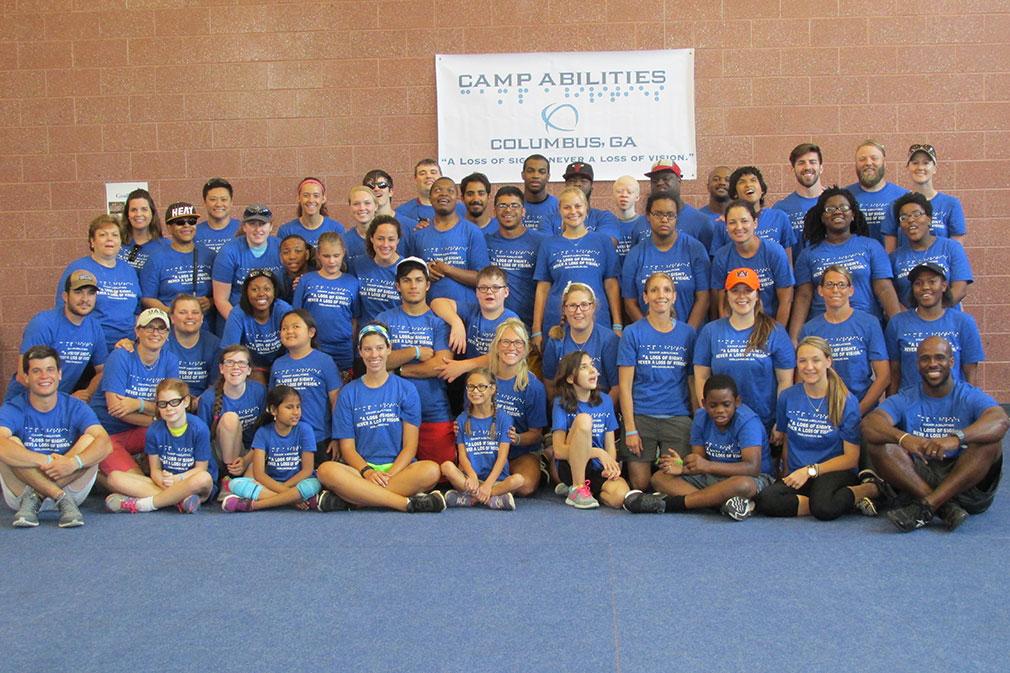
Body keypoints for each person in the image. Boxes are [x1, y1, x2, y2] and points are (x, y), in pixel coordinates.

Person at [863, 336, 1008, 532]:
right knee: (880, 444)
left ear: (951, 362)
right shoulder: (907, 396)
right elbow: (870, 424)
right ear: (917, 364)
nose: (932, 364)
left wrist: (957, 439)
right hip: (919, 478)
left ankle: (928, 505)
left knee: (990, 442)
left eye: (939, 358)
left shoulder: (968, 395)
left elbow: (1000, 419)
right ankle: (944, 507)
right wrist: (905, 438)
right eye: (925, 358)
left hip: (965, 482)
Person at [315, 323, 445, 513]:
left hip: (399, 470)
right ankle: (404, 503)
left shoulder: (406, 390)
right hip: (361, 470)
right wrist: (367, 472)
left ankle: (356, 499)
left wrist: (390, 475)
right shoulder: (348, 393)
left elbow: (410, 447)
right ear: (360, 352)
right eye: (367, 349)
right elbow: (347, 448)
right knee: (326, 471)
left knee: (432, 470)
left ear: (389, 349)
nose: (374, 355)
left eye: (379, 348)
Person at [755, 337, 879, 520]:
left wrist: (810, 470)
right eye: (802, 361)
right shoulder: (787, 397)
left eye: (816, 360)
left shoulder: (846, 401)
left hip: (834, 472)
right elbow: (787, 438)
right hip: (800, 472)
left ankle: (870, 489)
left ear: (828, 361)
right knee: (766, 500)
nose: (809, 367)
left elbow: (851, 459)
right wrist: (786, 471)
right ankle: (827, 501)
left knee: (824, 509)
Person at [623, 374, 772, 521]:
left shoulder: (747, 422)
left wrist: (706, 466)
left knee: (743, 485)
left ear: (737, 402)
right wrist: (683, 466)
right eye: (713, 405)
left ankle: (670, 504)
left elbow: (752, 468)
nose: (720, 410)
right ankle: (723, 505)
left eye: (726, 404)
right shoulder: (701, 417)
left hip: (750, 478)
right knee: (659, 478)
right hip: (713, 476)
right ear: (704, 403)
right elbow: (699, 461)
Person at [0, 346, 111, 528]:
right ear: (26, 377)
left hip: (70, 485)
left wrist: (72, 463)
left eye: (50, 370)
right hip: (22, 493)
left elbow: (105, 444)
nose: (45, 376)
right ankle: (58, 496)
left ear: (59, 374)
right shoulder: (14, 407)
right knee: (9, 443)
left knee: (92, 441)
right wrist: (47, 460)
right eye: (37, 371)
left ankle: (37, 496)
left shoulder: (75, 406)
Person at [617, 272, 696, 491]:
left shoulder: (688, 333)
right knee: (640, 485)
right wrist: (630, 428)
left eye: (666, 290)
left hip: (677, 417)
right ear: (645, 297)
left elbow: (692, 381)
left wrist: (696, 420)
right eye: (654, 290)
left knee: (670, 481)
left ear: (674, 296)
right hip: (641, 417)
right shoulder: (632, 333)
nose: (660, 295)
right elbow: (625, 386)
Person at [789, 187, 901, 341]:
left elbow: (884, 289)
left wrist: (898, 329)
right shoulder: (808, 254)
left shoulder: (871, 247)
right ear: (822, 217)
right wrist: (794, 338)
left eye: (844, 207)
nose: (837, 212)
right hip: (822, 332)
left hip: (864, 329)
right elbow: (803, 296)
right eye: (830, 209)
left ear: (853, 214)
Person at [694, 268, 795, 437]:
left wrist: (780, 422)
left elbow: (785, 382)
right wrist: (709, 414)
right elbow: (701, 377)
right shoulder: (710, 331)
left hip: (763, 422)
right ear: (726, 295)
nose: (741, 296)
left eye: (748, 290)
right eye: (735, 291)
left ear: (757, 295)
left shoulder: (775, 331)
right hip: (722, 423)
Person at [375, 258, 455, 464]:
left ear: (427, 285)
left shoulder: (439, 322)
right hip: (391, 412)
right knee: (391, 471)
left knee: (441, 470)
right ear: (397, 286)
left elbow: (440, 366)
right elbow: (376, 360)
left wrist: (399, 369)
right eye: (407, 280)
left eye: (419, 280)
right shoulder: (384, 319)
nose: (413, 286)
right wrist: (415, 352)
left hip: (433, 410)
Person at [104, 378, 216, 514]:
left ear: (185, 402)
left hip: (191, 482)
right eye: (163, 404)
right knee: (114, 478)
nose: (169, 408)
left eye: (174, 402)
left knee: (204, 478)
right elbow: (155, 470)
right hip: (166, 484)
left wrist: (177, 479)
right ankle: (179, 501)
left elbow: (200, 469)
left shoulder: (199, 428)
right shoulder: (154, 430)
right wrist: (162, 479)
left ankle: (143, 504)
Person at [91, 308, 180, 478]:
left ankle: (173, 479)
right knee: (134, 479)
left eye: (161, 328)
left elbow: (173, 409)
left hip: (141, 430)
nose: (155, 333)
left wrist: (138, 404)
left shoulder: (170, 360)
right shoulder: (121, 356)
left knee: (175, 430)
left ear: (168, 334)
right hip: (107, 433)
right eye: (149, 327)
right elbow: (116, 410)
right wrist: (157, 416)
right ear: (137, 331)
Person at [532, 187, 621, 346]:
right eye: (567, 207)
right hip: (557, 322)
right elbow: (543, 288)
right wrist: (536, 329)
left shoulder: (602, 242)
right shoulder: (548, 244)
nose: (573, 211)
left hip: (597, 319)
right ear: (560, 210)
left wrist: (617, 323)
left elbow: (611, 285)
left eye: (578, 206)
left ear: (586, 208)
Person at [798, 265, 890, 416]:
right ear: (820, 291)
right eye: (829, 285)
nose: (835, 290)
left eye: (841, 285)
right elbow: (802, 378)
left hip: (862, 409)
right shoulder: (810, 329)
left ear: (851, 290)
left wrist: (857, 412)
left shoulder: (869, 323)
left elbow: (884, 376)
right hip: (823, 411)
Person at [6, 269, 107, 403]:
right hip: (25, 403)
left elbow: (102, 370)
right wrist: (65, 400)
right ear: (65, 296)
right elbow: (23, 376)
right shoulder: (43, 323)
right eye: (78, 292)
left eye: (91, 293)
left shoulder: (94, 327)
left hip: (58, 404)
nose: (85, 299)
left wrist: (87, 392)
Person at [885, 263, 984, 393]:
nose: (925, 287)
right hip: (909, 405)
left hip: (951, 405)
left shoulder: (963, 322)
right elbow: (894, 372)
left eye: (932, 282)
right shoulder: (897, 323)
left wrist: (970, 407)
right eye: (918, 283)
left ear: (943, 286)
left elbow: (971, 372)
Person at [221, 385, 322, 512]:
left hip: (298, 484)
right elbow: (259, 474)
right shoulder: (263, 433)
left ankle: (254, 505)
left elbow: (307, 470)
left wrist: (285, 488)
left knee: (314, 484)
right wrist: (289, 494)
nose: (296, 412)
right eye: (289, 407)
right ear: (273, 410)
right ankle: (294, 500)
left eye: (298, 407)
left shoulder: (305, 430)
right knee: (235, 484)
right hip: (273, 483)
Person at [621, 190, 710, 330]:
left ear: (677, 218)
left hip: (691, 335)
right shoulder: (635, 254)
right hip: (649, 339)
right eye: (658, 214)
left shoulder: (695, 249)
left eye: (670, 215)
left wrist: (687, 334)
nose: (664, 219)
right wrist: (650, 332)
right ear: (648, 216)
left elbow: (703, 298)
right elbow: (629, 303)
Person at [551, 351, 629, 509]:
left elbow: (610, 445)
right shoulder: (560, 403)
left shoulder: (605, 400)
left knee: (619, 497)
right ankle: (578, 487)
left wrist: (611, 467)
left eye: (592, 365)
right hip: (571, 466)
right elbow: (558, 451)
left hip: (597, 468)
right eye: (584, 367)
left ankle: (584, 490)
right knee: (584, 419)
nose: (593, 370)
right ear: (570, 378)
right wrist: (597, 452)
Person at [441, 369, 524, 510]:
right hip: (471, 481)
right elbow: (462, 455)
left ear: (492, 389)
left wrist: (488, 485)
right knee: (446, 467)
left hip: (496, 480)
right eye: (471, 387)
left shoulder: (504, 418)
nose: (475, 391)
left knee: (518, 480)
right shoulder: (462, 419)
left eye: (481, 386)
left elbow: (502, 457)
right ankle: (491, 499)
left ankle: (471, 499)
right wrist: (472, 476)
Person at [56, 214, 141, 350]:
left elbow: (137, 310)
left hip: (126, 346)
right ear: (92, 241)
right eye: (103, 235)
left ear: (120, 242)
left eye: (114, 235)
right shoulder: (78, 268)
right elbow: (62, 309)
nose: (109, 239)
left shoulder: (129, 271)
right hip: (91, 346)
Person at [409, 176, 490, 320]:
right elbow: (409, 275)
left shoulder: (472, 232)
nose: (443, 194)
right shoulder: (418, 235)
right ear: (431, 197)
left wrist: (447, 269)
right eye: (438, 190)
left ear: (457, 198)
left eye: (450, 191)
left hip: (466, 314)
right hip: (429, 316)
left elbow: (482, 279)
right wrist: (425, 271)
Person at [269, 309, 341, 465]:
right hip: (286, 441)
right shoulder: (278, 364)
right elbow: (273, 404)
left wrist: (337, 437)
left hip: (320, 439)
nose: (289, 331)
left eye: (295, 326)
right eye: (284, 328)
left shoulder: (325, 361)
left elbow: (336, 401)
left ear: (311, 332)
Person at [709, 199, 793, 326]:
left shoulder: (775, 252)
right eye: (732, 222)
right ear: (726, 227)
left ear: (755, 223)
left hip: (769, 325)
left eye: (744, 221)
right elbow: (723, 305)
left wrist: (777, 334)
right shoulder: (722, 257)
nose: (739, 227)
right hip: (735, 328)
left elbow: (785, 300)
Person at [488, 319, 547, 497]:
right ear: (497, 346)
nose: (511, 347)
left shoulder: (534, 386)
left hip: (521, 453)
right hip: (487, 449)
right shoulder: (483, 378)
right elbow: (470, 415)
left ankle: (486, 491)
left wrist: (517, 439)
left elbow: (536, 433)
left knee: (526, 485)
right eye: (505, 341)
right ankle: (496, 490)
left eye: (517, 342)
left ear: (526, 348)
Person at [430, 265, 519, 383]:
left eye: (496, 288)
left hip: (499, 382)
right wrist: (456, 322)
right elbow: (437, 303)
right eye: (483, 288)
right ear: (477, 292)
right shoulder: (472, 311)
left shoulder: (511, 320)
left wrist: (463, 366)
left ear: (506, 292)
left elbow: (503, 356)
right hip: (473, 383)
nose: (489, 292)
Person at [196, 345, 266, 489]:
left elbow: (265, 431)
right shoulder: (208, 398)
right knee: (230, 419)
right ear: (221, 368)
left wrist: (247, 460)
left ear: (249, 370)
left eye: (241, 363)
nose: (235, 367)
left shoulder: (259, 391)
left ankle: (237, 486)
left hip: (250, 452)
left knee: (252, 485)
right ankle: (228, 477)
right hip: (220, 454)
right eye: (230, 362)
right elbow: (203, 440)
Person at [293, 231, 360, 376]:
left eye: (336, 256)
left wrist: (351, 344)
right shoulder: (306, 281)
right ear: (318, 255)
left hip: (343, 350)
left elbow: (354, 319)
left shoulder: (352, 282)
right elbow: (297, 317)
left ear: (343, 253)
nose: (331, 261)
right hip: (313, 348)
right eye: (326, 256)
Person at [889, 192, 972, 308]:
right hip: (911, 324)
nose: (911, 220)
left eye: (916, 214)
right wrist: (911, 319)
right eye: (904, 217)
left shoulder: (951, 248)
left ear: (929, 219)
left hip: (947, 320)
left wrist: (932, 315)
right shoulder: (894, 259)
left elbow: (960, 288)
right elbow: (891, 298)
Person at [541, 283, 619, 402]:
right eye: (572, 306)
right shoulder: (556, 340)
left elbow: (617, 387)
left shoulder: (609, 340)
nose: (578, 311)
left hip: (600, 411)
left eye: (584, 305)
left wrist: (600, 414)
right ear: (564, 309)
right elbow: (550, 384)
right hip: (566, 410)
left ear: (593, 307)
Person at [882, 144, 966, 252]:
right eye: (915, 163)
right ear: (908, 167)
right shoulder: (895, 206)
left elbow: (957, 251)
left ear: (935, 168)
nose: (920, 167)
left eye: (926, 163)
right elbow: (890, 252)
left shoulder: (951, 204)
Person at [484, 186, 545, 331]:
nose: (508, 210)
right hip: (494, 323)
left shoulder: (541, 242)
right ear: (494, 211)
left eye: (514, 205)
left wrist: (537, 328)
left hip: (530, 323)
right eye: (502, 205)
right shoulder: (485, 241)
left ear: (523, 211)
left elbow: (545, 286)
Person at [140, 202, 215, 316]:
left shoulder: (210, 255)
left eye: (191, 221)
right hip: (171, 326)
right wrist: (172, 313)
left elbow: (223, 292)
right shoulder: (156, 259)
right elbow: (147, 298)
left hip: (205, 326)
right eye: (180, 222)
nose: (186, 225)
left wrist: (210, 302)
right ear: (169, 228)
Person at [212, 203, 284, 322]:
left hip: (273, 322)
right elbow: (221, 300)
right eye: (252, 224)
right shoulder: (228, 252)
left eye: (262, 224)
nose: (257, 229)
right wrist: (239, 324)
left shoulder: (281, 248)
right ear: (244, 227)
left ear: (270, 227)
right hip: (236, 317)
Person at [710, 166, 795, 261]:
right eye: (742, 182)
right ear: (735, 193)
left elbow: (788, 261)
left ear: (762, 190)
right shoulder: (724, 224)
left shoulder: (779, 217)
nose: (748, 185)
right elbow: (718, 262)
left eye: (753, 180)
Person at [220, 269, 292, 379]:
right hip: (250, 368)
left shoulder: (284, 310)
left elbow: (295, 345)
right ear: (246, 292)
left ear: (274, 292)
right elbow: (230, 352)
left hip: (281, 365)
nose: (261, 294)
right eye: (254, 289)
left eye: (267, 289)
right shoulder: (238, 313)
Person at [845, 139, 908, 243]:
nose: (868, 163)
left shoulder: (902, 197)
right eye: (862, 159)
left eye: (874, 158)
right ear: (855, 164)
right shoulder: (844, 197)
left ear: (884, 163)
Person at [644, 160, 714, 252]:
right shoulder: (642, 222)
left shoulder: (701, 222)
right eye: (655, 180)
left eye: (666, 178)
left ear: (679, 180)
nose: (659, 183)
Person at [772, 143, 826, 258]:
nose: (807, 167)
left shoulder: (835, 203)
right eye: (801, 163)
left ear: (821, 168)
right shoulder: (781, 209)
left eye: (812, 162)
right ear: (793, 169)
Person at [350, 215, 403, 326]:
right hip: (366, 335)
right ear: (371, 238)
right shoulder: (358, 265)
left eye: (391, 239)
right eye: (380, 238)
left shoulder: (406, 268)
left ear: (398, 240)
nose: (385, 244)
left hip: (395, 334)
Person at [166, 294, 220, 400]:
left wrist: (197, 402)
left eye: (195, 312)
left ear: (202, 318)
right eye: (183, 312)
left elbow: (214, 385)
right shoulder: (162, 342)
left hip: (203, 402)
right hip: (169, 403)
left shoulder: (214, 344)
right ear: (172, 318)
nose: (190, 316)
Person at [277, 177, 344, 246]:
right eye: (306, 195)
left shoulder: (336, 229)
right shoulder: (286, 231)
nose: (311, 200)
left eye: (316, 196)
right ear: (298, 198)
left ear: (323, 199)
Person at [395, 158, 467, 223]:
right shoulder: (402, 213)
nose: (428, 176)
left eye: (433, 172)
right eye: (422, 173)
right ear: (415, 179)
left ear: (441, 177)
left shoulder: (462, 210)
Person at [562, 161, 617, 235]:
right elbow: (546, 245)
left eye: (583, 181)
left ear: (591, 187)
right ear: (565, 186)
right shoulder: (550, 219)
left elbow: (606, 243)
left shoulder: (604, 217)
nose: (578, 184)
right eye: (572, 181)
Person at [118, 188, 163, 271]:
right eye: (133, 210)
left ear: (152, 213)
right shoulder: (117, 244)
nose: (138, 214)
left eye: (144, 209)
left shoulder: (164, 247)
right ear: (127, 214)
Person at [363, 169, 419, 233]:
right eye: (371, 186)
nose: (376, 189)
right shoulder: (362, 229)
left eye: (382, 185)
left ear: (390, 192)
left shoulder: (411, 227)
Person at [195, 177, 241, 254]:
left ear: (231, 202)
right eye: (213, 199)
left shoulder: (243, 230)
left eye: (224, 199)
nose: (219, 204)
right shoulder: (194, 233)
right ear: (204, 202)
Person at [610, 175, 649, 263]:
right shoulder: (607, 225)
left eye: (629, 192)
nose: (624, 195)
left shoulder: (646, 223)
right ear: (613, 195)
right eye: (619, 191)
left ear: (637, 197)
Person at [520, 154, 561, 234]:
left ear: (548, 176)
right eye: (530, 171)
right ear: (523, 175)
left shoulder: (558, 206)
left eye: (541, 172)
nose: (535, 176)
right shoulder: (513, 205)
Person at [278, 233, 313, 302]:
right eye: (286, 252)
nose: (292, 257)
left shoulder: (317, 276)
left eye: (298, 251)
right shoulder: (276, 279)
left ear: (307, 254)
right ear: (280, 257)